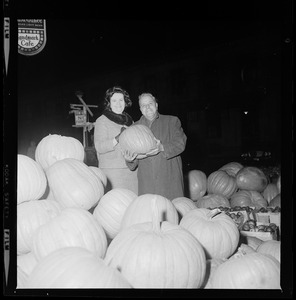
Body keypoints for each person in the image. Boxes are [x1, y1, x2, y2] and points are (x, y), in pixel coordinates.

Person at [123, 92, 187, 200]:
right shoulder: (134, 128)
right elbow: (133, 161)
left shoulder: (172, 121)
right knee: (150, 213)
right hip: (147, 184)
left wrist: (162, 147)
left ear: (156, 105)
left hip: (170, 182)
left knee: (173, 212)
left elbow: (181, 143)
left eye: (150, 103)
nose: (147, 107)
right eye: (143, 105)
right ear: (140, 109)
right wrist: (129, 159)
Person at [93, 86, 138, 194]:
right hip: (113, 172)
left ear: (125, 102)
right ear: (109, 103)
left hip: (131, 171)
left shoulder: (130, 121)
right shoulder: (102, 120)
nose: (118, 103)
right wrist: (118, 138)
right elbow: (99, 147)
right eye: (114, 100)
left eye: (121, 100)